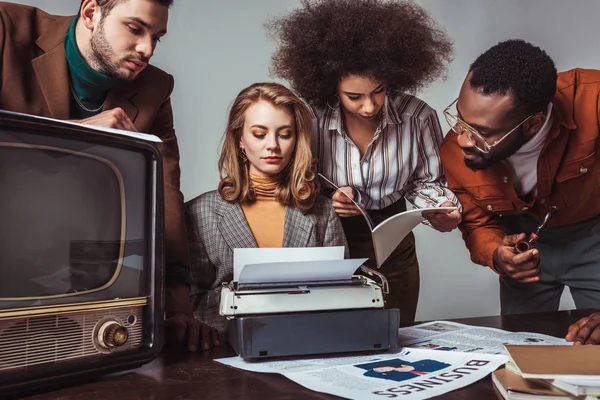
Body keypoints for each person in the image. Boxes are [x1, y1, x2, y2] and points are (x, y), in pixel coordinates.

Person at [0, 0, 199, 350]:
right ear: (91, 12)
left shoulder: (155, 89)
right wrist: (74, 133)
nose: (147, 49)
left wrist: (179, 307)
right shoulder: (5, 27)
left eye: (158, 37)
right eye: (135, 29)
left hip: (75, 284)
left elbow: (165, 195)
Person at [267, 0, 461, 324]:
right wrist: (328, 197)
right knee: (334, 338)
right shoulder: (310, 119)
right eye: (353, 97)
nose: (369, 106)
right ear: (330, 86)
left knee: (396, 337)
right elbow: (292, 179)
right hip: (328, 245)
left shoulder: (418, 116)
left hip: (395, 248)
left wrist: (439, 209)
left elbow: (428, 181)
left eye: (379, 92)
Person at [439, 39, 600, 315]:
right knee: (522, 348)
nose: (463, 140)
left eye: (482, 133)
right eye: (460, 120)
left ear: (533, 123)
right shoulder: (455, 149)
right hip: (523, 244)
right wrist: (497, 254)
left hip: (594, 235)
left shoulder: (593, 101)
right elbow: (477, 222)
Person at [185, 82, 348, 338]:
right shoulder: (199, 212)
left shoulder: (323, 212)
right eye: (259, 134)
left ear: (297, 140)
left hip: (307, 342)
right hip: (223, 348)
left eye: (284, 134)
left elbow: (341, 295)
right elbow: (188, 302)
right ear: (240, 139)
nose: (272, 145)